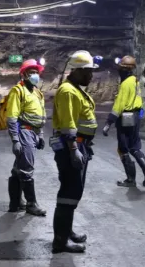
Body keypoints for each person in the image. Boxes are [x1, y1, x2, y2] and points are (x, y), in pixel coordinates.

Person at [49, 50, 99, 253]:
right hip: (72, 147)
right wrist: (74, 149)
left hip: (80, 145)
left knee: (74, 191)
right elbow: (69, 124)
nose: (91, 75)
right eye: (87, 71)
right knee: (69, 193)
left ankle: (66, 231)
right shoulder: (68, 91)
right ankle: (60, 242)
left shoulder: (75, 89)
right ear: (77, 71)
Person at [103, 55, 145, 187]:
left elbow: (119, 104)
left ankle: (131, 180)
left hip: (126, 116)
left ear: (124, 70)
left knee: (123, 148)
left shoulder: (125, 83)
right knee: (135, 147)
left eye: (120, 68)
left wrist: (109, 122)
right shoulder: (135, 81)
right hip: (136, 115)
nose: (119, 70)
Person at [7, 59, 47, 216]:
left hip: (34, 133)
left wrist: (41, 135)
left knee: (18, 169)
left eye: (36, 72)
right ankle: (31, 204)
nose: (35, 75)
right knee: (27, 168)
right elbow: (12, 117)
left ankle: (15, 203)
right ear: (23, 74)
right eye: (31, 73)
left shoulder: (37, 92)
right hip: (24, 132)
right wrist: (15, 140)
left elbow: (41, 115)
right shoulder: (18, 91)